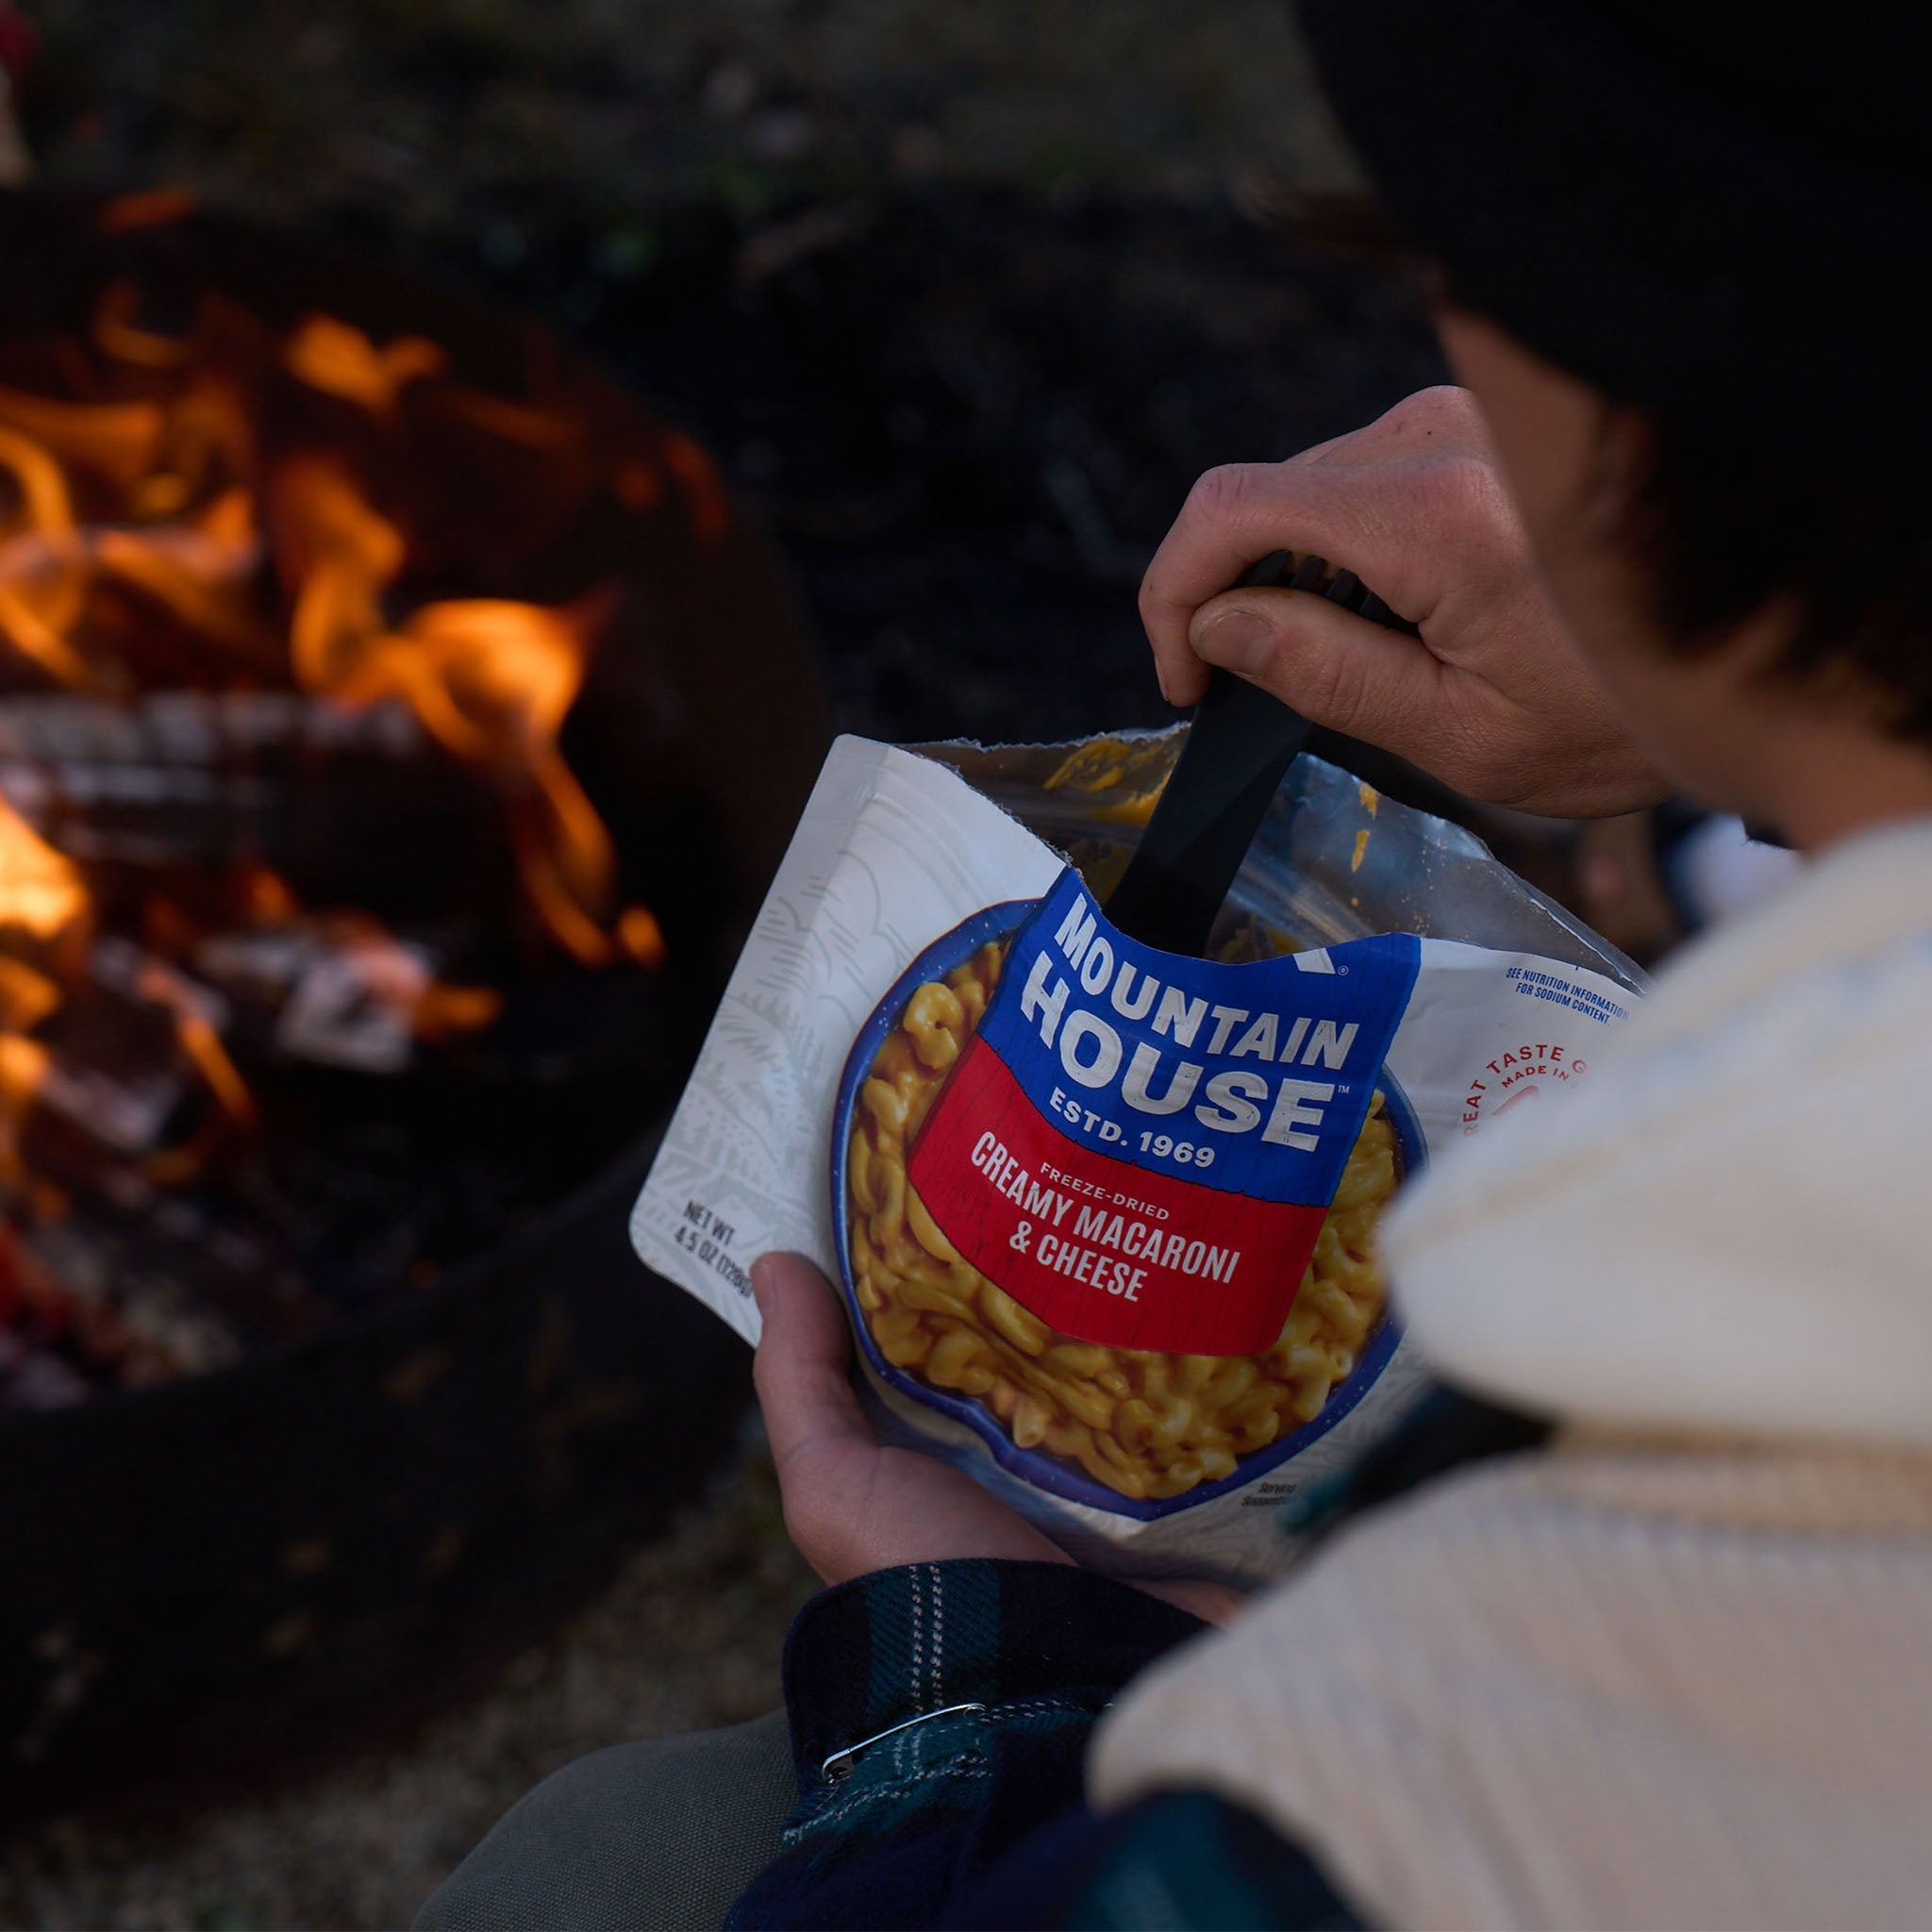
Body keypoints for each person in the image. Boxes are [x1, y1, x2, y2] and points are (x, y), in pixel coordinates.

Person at [420, 1, 1932, 1924]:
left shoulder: (1464, 1754)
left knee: (577, 1878)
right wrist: (1752, 662)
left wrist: (969, 1699)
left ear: (1637, 421)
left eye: (1451, 265)